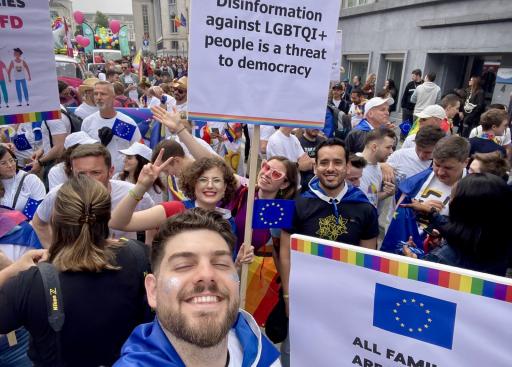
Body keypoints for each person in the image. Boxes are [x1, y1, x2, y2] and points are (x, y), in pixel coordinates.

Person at [0, 175, 152, 366]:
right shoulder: (138, 255)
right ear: (107, 216)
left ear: (55, 220)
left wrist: (9, 269)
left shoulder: (31, 283)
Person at [114, 208, 281, 366]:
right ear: (153, 291)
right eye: (183, 265)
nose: (207, 275)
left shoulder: (261, 350)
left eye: (220, 263)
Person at [280, 138, 379, 312]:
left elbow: (368, 259)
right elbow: (286, 255)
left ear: (347, 167)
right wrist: (287, 296)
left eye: (337, 162)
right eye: (324, 163)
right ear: (315, 167)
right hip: (306, 293)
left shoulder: (364, 208)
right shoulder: (297, 203)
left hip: (347, 296)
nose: (331, 168)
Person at [32, 144, 154, 247]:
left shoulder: (131, 193)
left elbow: (154, 223)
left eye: (95, 173)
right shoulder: (58, 194)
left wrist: (148, 252)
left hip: (122, 266)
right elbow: (39, 222)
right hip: (76, 268)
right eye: (81, 174)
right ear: (72, 173)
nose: (88, 180)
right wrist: (54, 252)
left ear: (111, 172)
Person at [404, 174, 512, 276]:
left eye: (451, 198)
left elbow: (419, 284)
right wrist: (432, 214)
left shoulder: (439, 259)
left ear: (460, 208)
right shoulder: (502, 242)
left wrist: (414, 262)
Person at [398, 136, 469, 229]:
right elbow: (397, 213)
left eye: (448, 168)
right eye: (437, 165)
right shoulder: (419, 179)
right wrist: (419, 209)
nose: (440, 172)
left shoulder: (473, 190)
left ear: (465, 162)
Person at [81, 81, 142, 173]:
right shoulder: (88, 122)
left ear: (113, 97)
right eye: (96, 94)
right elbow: (83, 152)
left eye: (103, 94)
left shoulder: (126, 122)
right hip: (95, 176)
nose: (98, 97)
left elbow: (137, 149)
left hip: (121, 176)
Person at [0, 146, 45, 220]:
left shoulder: (30, 180)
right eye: (3, 163)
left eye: (11, 160)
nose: (10, 165)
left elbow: (37, 214)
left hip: (25, 229)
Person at [358, 128, 396, 208]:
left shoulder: (378, 168)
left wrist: (387, 193)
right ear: (374, 147)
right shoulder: (353, 165)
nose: (391, 151)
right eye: (388, 147)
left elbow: (372, 196)